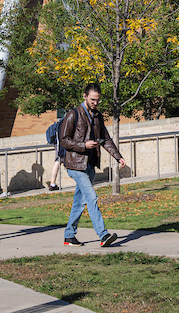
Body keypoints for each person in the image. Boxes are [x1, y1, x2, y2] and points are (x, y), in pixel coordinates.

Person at [59, 83, 126, 247]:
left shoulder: (98, 116)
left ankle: (69, 235)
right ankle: (103, 235)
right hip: (75, 164)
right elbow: (64, 140)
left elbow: (106, 139)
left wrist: (118, 157)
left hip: (89, 164)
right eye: (93, 100)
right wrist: (83, 145)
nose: (95, 103)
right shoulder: (72, 115)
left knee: (79, 202)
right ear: (84, 96)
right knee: (91, 197)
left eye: (98, 100)